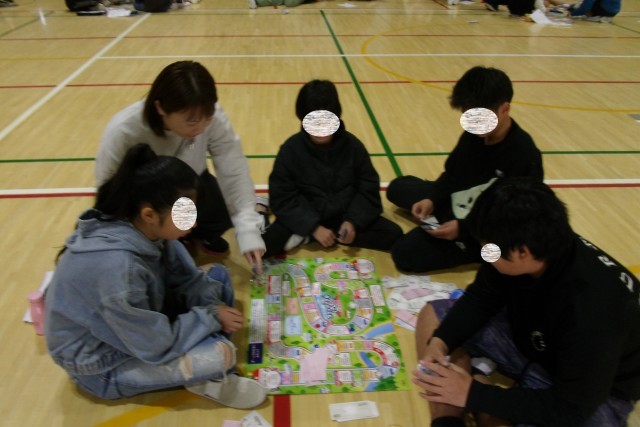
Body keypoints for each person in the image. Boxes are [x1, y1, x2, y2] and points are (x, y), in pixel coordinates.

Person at [45, 143, 267, 408]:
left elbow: (187, 279)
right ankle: (209, 373)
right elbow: (153, 345)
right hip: (103, 365)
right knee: (221, 355)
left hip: (142, 326)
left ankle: (201, 357)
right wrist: (211, 316)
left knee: (217, 275)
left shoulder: (148, 229)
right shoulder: (119, 270)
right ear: (149, 214)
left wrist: (210, 312)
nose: (194, 223)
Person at [413, 177, 640, 427]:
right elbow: (481, 297)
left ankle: (480, 382)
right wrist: (441, 342)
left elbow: (571, 409)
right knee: (433, 318)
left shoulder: (594, 312)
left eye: (488, 247)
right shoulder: (532, 241)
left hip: (591, 393)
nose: (485, 253)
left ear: (523, 252)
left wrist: (474, 394)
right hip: (532, 344)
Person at [95, 61, 267, 274]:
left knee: (222, 213)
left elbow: (232, 166)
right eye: (191, 122)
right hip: (147, 202)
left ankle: (190, 237)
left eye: (207, 119)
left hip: (191, 184)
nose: (201, 128)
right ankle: (169, 241)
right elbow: (108, 193)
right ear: (160, 108)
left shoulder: (207, 115)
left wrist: (248, 228)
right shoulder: (124, 130)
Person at [387, 66, 543, 273]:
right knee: (397, 188)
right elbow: (452, 174)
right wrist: (432, 199)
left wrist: (463, 229)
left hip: (484, 229)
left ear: (504, 109)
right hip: (458, 202)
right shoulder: (474, 135)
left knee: (405, 253)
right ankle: (441, 214)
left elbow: (513, 219)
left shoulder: (524, 155)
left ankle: (468, 249)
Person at [263, 79, 403, 257]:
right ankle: (310, 234)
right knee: (265, 246)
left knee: (392, 234)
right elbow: (282, 197)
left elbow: (368, 189)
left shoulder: (353, 147)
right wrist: (313, 227)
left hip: (344, 216)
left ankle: (315, 236)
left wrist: (352, 222)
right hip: (307, 215)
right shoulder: (290, 150)